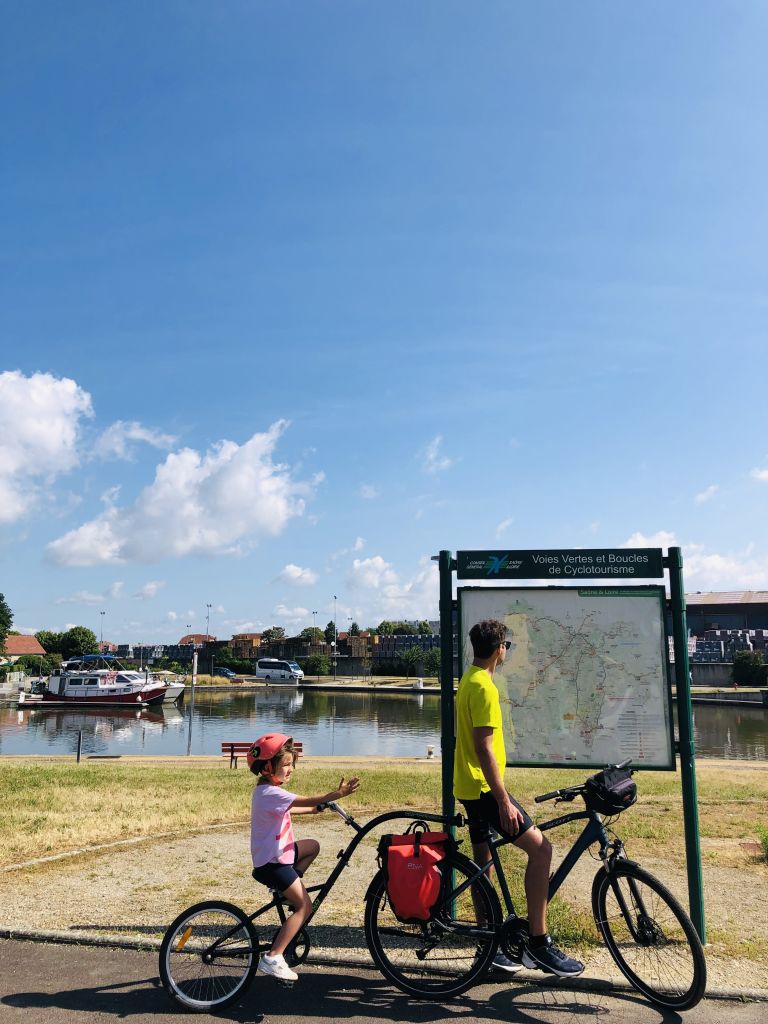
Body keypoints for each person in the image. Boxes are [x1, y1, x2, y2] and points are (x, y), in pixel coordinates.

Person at [454, 619, 584, 978]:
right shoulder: (484, 687)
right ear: (500, 649)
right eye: (506, 646)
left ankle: (488, 944)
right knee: (541, 850)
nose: (507, 651)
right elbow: (484, 748)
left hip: (468, 786)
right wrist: (503, 800)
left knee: (483, 865)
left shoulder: (468, 680)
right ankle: (539, 943)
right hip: (483, 790)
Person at [248, 732, 360, 982]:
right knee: (304, 906)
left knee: (312, 846)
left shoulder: (268, 793)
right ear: (267, 768)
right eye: (286, 765)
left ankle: (287, 890)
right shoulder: (271, 794)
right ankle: (273, 957)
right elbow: (307, 799)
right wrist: (336, 795)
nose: (290, 770)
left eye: (292, 765)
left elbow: (299, 808)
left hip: (280, 855)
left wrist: (318, 809)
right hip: (273, 864)